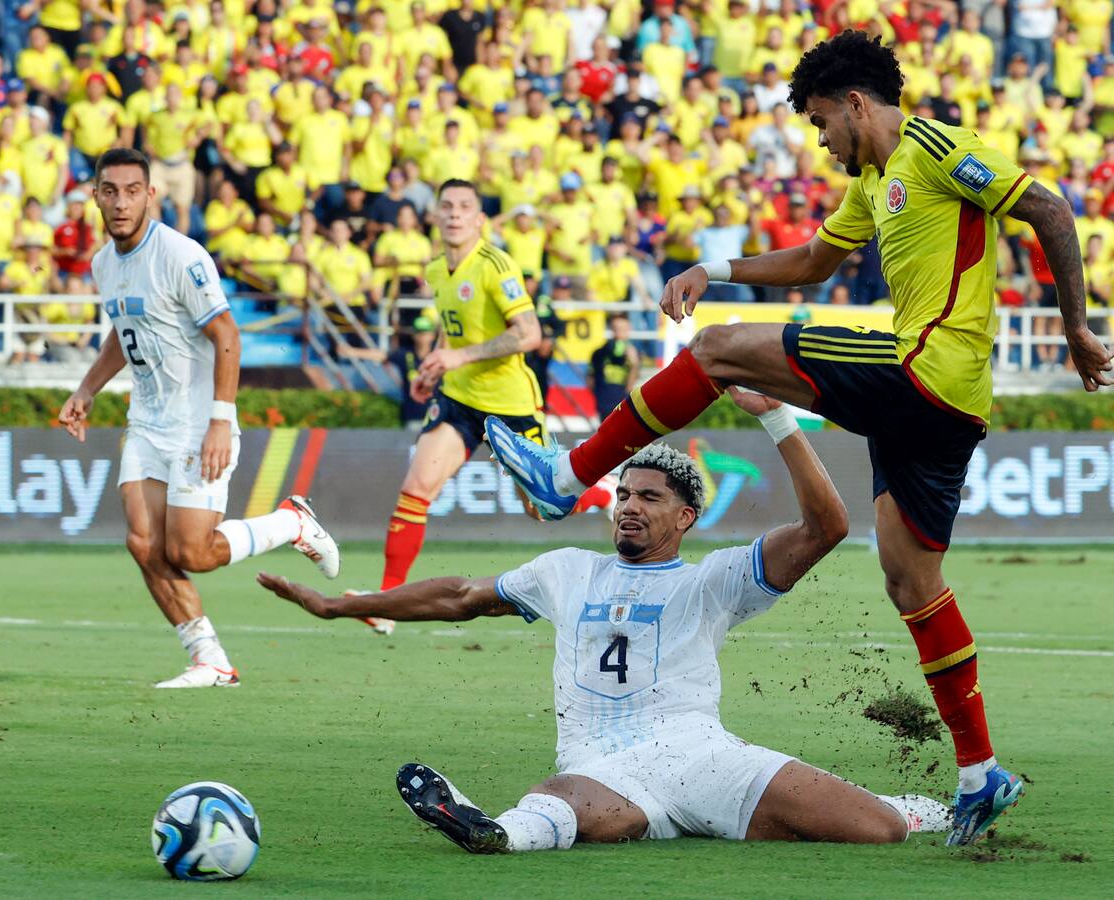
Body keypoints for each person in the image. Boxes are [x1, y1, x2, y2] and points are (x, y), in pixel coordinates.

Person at [487, 31, 1114, 846]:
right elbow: (816, 260)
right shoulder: (873, 183)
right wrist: (716, 271)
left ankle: (567, 478)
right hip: (944, 409)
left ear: (855, 103)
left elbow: (1049, 209)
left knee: (715, 348)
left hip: (925, 371)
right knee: (910, 579)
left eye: (822, 122)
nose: (821, 141)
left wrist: (1075, 327)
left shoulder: (934, 147)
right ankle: (979, 773)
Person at [258, 412, 950, 853]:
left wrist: (774, 416)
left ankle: (912, 808)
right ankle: (493, 831)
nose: (628, 507)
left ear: (685, 518)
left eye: (649, 497)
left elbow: (826, 527)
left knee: (879, 830)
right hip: (600, 762)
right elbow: (460, 595)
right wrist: (340, 606)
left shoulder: (714, 580)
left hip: (700, 753)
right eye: (622, 495)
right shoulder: (567, 570)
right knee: (562, 801)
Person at [57, 149, 341, 689]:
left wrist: (219, 421)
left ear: (150, 195)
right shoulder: (103, 263)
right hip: (147, 421)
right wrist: (87, 388)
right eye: (110, 191)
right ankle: (209, 659)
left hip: (196, 421)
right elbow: (124, 329)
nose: (121, 203)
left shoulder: (180, 255)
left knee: (191, 551)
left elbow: (227, 334)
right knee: (143, 543)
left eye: (132, 191)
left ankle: (292, 523)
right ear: (95, 196)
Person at [377, 178, 543, 609]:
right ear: (434, 216)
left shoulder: (496, 265)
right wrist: (436, 364)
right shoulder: (436, 269)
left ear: (480, 219)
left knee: (543, 507)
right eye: (447, 206)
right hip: (458, 400)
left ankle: (600, 490)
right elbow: (453, 332)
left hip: (510, 405)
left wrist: (459, 356)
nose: (454, 213)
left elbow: (529, 334)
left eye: (464, 206)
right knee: (416, 489)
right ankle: (385, 603)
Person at [589, 313, 640, 419]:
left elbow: (632, 384)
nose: (619, 332)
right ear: (611, 329)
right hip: (604, 400)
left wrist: (634, 363)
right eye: (616, 329)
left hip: (623, 401)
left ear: (629, 329)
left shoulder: (635, 353)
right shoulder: (600, 352)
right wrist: (599, 395)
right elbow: (590, 378)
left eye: (623, 329)